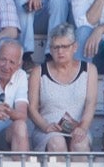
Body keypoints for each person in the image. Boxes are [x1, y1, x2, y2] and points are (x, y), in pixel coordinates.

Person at [28, 23, 97, 153]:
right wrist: (46, 126)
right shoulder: (38, 72)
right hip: (47, 130)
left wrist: (82, 127)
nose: (60, 51)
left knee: (80, 144)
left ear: (75, 47)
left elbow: (91, 104)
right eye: (55, 47)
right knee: (57, 142)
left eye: (65, 47)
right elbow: (31, 108)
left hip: (78, 127)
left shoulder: (89, 70)